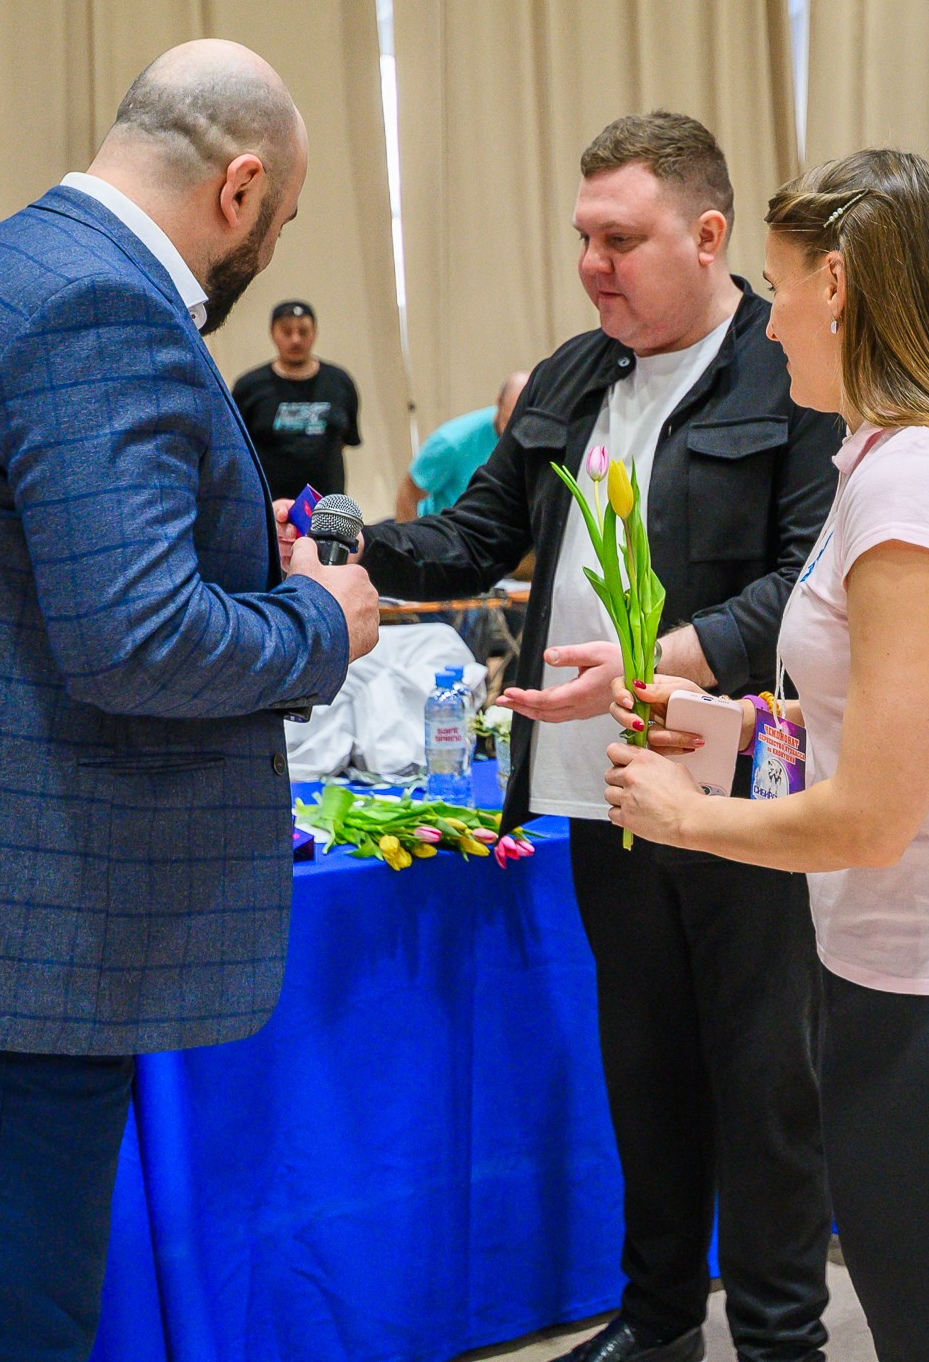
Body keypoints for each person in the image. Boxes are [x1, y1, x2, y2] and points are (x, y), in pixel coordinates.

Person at [0, 39, 380, 1362]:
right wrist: (318, 622)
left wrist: (238, 556)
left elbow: (39, 576)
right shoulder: (106, 313)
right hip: (6, 950)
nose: (268, 252)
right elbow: (138, 637)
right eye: (281, 220)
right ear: (240, 186)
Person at [344, 112, 840, 1362]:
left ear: (708, 237)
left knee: (763, 1085)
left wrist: (667, 660)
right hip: (598, 790)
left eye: (620, 239)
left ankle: (781, 1336)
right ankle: (660, 1320)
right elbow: (473, 538)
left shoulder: (787, 372)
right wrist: (350, 547)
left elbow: (810, 581)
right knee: (648, 1070)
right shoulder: (574, 372)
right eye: (583, 237)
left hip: (738, 792)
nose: (591, 264)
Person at [601, 149, 929, 1362]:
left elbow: (874, 815)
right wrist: (718, 726)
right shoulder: (887, 452)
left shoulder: (917, 480)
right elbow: (871, 716)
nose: (766, 324)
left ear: (838, 284)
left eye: (776, 287)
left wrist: (682, 815)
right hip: (913, 957)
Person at [232, 299, 361, 502]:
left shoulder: (339, 382)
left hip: (328, 508)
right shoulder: (249, 387)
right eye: (286, 332)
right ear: (273, 333)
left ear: (315, 333)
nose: (295, 340)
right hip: (271, 509)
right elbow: (237, 449)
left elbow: (346, 439)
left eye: (303, 331)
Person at [397, 371, 531, 519]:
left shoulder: (537, 436)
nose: (515, 432)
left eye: (524, 423)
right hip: (451, 528)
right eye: (508, 421)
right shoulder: (451, 442)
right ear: (499, 403)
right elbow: (408, 494)